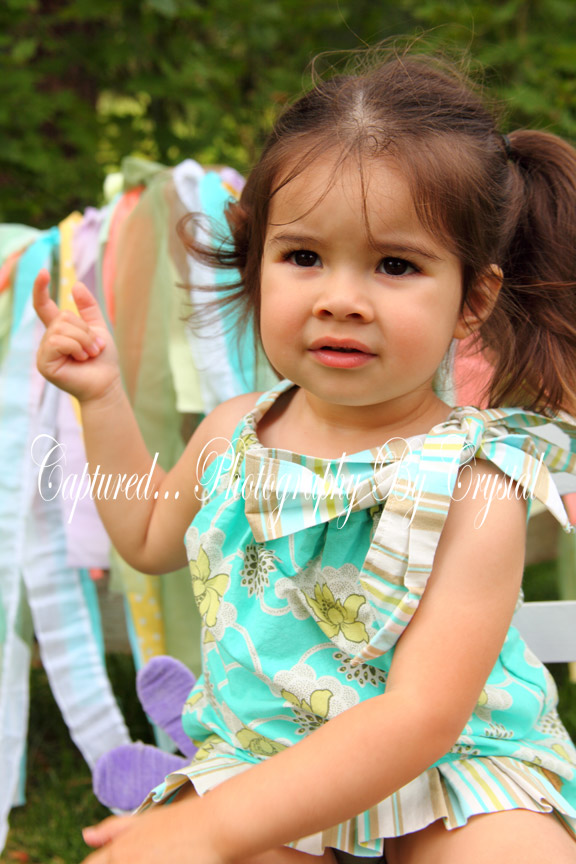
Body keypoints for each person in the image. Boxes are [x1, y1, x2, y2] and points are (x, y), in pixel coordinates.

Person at [33, 51, 576, 864]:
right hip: (265, 763)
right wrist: (103, 398)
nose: (340, 299)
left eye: (395, 265)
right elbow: (146, 535)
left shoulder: (476, 484)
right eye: (304, 257)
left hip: (455, 762)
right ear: (258, 265)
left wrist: (207, 828)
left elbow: (420, 717)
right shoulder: (232, 435)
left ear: (474, 299)